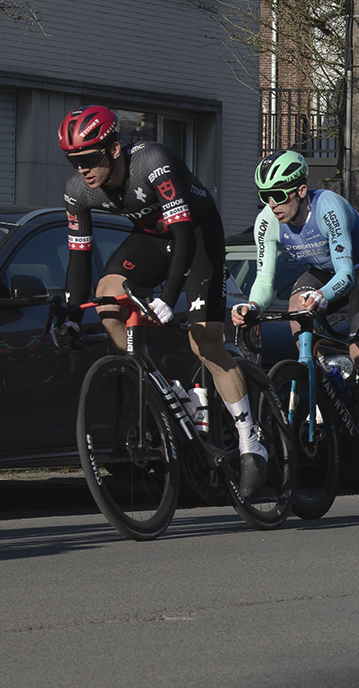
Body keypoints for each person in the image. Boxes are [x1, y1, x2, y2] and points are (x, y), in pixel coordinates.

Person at [54, 105, 267, 497]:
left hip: (197, 233)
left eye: (88, 158)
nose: (81, 169)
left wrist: (168, 299)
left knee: (205, 339)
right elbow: (79, 259)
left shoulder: (153, 162)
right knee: (107, 298)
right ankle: (162, 388)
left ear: (114, 149)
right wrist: (69, 316)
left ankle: (250, 441)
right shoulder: (77, 192)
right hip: (153, 238)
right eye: (73, 160)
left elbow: (184, 235)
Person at [231, 151, 359, 484]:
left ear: (299, 190)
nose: (272, 204)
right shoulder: (267, 222)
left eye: (278, 195)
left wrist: (322, 296)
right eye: (264, 197)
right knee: (297, 305)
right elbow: (265, 282)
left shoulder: (328, 207)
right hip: (324, 270)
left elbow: (346, 274)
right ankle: (319, 373)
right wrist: (253, 306)